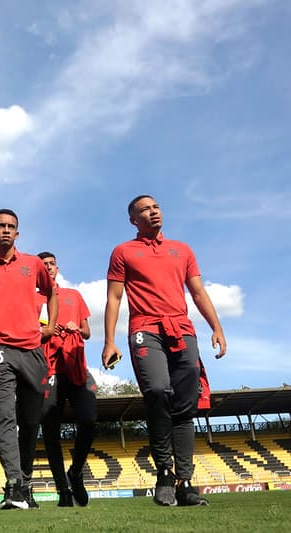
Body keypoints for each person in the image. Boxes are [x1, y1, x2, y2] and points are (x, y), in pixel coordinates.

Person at [102, 195, 226, 507]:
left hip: (182, 329)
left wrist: (217, 327)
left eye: (155, 206)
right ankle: (165, 473)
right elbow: (115, 297)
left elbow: (197, 291)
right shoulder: (123, 251)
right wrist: (109, 340)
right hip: (145, 328)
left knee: (185, 407)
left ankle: (185, 482)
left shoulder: (182, 249)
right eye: (144, 209)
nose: (153, 211)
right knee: (158, 391)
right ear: (133, 219)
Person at [0, 209, 57, 510]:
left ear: (18, 233)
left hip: (32, 351)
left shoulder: (32, 264)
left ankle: (26, 481)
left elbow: (51, 294)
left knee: (31, 421)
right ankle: (14, 486)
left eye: (11, 226)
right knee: (4, 417)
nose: (5, 230)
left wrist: (51, 327)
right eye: (0, 226)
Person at [36, 252, 96, 507]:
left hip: (75, 363)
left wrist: (76, 328)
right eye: (43, 265)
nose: (48, 268)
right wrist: (43, 330)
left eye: (51, 264)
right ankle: (63, 490)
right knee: (51, 431)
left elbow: (88, 332)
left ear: (57, 268)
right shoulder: (31, 298)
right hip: (47, 368)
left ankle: (77, 471)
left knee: (89, 419)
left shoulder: (73, 295)